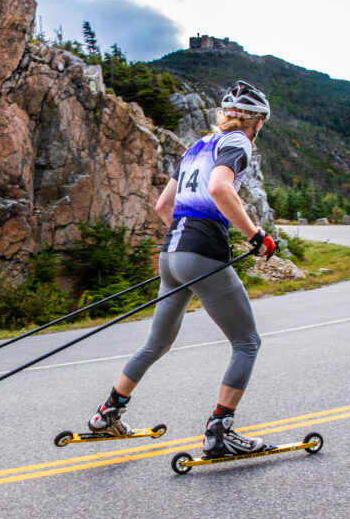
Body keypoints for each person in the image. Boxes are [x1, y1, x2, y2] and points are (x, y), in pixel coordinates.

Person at [87, 81, 276, 457]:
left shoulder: (196, 147)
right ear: (254, 121)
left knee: (156, 343)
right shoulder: (237, 142)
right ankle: (219, 432)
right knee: (247, 342)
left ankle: (107, 414)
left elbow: (163, 206)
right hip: (201, 252)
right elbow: (222, 189)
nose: (258, 129)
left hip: (171, 252)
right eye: (260, 122)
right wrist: (256, 234)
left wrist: (186, 240)